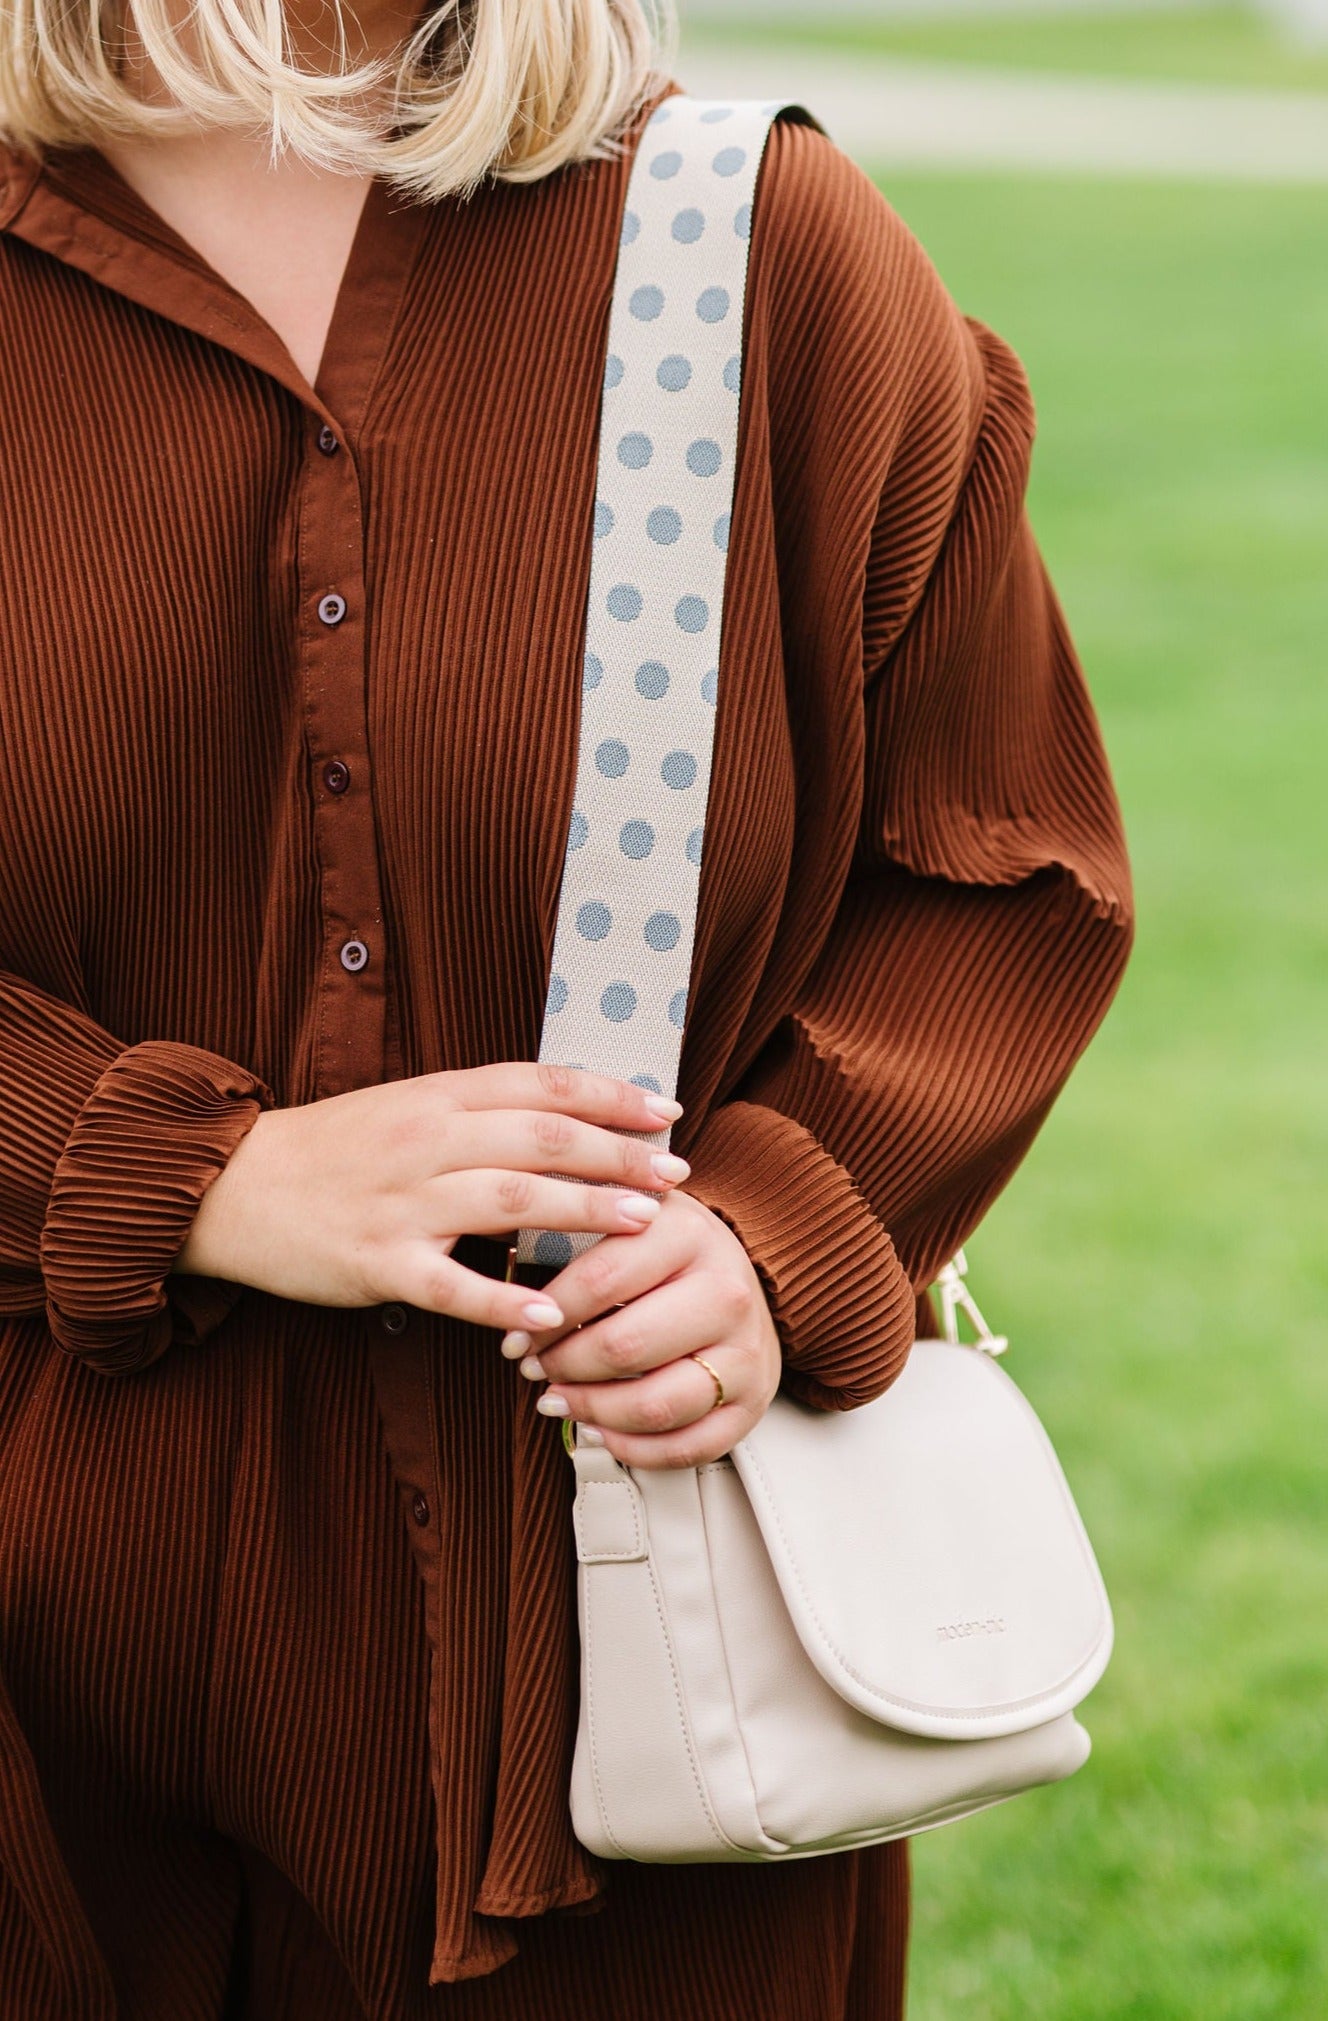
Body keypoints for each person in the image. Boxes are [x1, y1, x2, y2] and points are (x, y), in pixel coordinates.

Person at [0, 0, 1133, 2011]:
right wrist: (194, 1175)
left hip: (626, 1653)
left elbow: (996, 863)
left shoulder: (757, 251)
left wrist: (770, 1240)